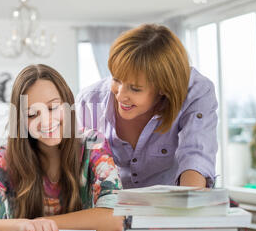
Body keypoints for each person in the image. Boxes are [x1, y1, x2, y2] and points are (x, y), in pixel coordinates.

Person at [0, 64, 124, 231]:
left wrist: (42, 225)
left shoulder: (93, 144)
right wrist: (23, 227)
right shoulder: (7, 157)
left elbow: (116, 216)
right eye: (32, 114)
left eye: (53, 108)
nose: (45, 121)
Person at [77, 24, 218, 189]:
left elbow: (196, 157)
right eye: (116, 79)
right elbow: (79, 166)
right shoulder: (90, 101)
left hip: (172, 203)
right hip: (110, 206)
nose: (120, 95)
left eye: (135, 88)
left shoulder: (196, 91)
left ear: (163, 88)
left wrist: (189, 207)